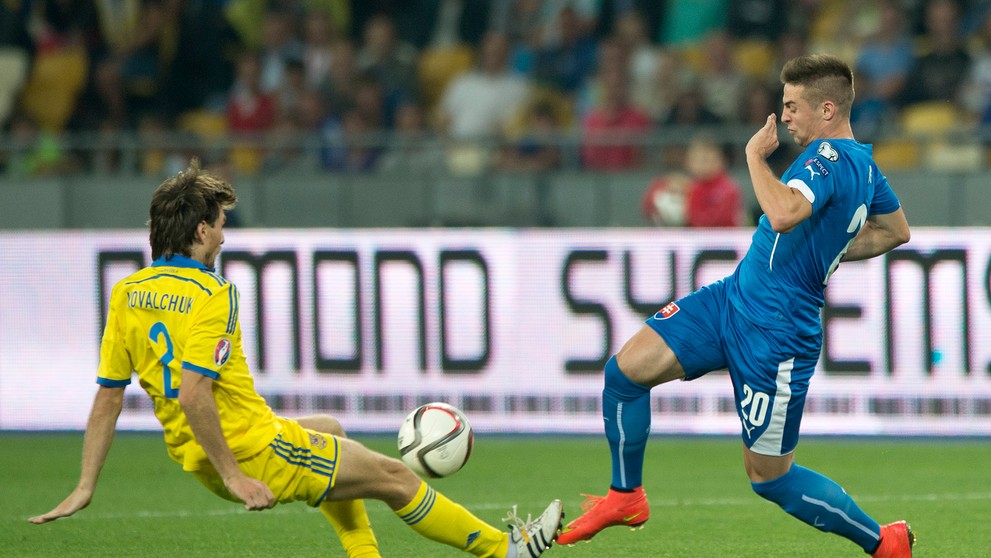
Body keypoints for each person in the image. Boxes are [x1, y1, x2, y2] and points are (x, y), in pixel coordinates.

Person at [29, 160, 564, 558]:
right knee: (395, 478)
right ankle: (506, 550)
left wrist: (84, 486)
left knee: (330, 428)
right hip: (250, 449)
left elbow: (108, 397)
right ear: (200, 231)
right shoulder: (212, 294)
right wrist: (236, 476)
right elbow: (194, 393)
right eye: (219, 223)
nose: (223, 232)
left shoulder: (127, 293)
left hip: (197, 453)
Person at [558, 53, 915, 558]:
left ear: (828, 109)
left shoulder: (825, 158)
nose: (784, 116)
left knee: (769, 477)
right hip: (732, 299)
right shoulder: (864, 164)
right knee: (626, 371)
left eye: (792, 106)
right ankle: (625, 496)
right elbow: (896, 230)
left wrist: (753, 156)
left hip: (777, 333)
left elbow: (786, 211)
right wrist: (830, 248)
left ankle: (882, 542)